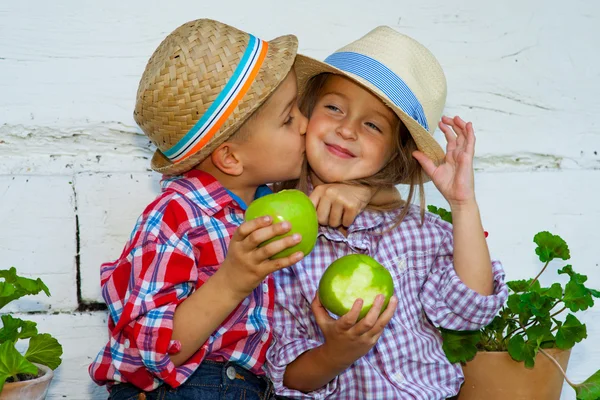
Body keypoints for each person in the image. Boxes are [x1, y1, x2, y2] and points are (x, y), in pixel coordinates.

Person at [89, 19, 390, 400]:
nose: (305, 125)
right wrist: (234, 278)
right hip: (181, 390)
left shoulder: (268, 201)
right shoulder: (176, 216)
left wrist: (360, 191)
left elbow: (387, 197)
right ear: (230, 158)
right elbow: (155, 348)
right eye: (288, 118)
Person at [266, 26, 509, 399]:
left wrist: (462, 203)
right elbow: (287, 377)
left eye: (372, 125)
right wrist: (338, 352)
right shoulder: (278, 232)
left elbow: (470, 310)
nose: (347, 130)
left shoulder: (419, 231)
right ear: (306, 114)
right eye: (334, 108)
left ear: (395, 152)